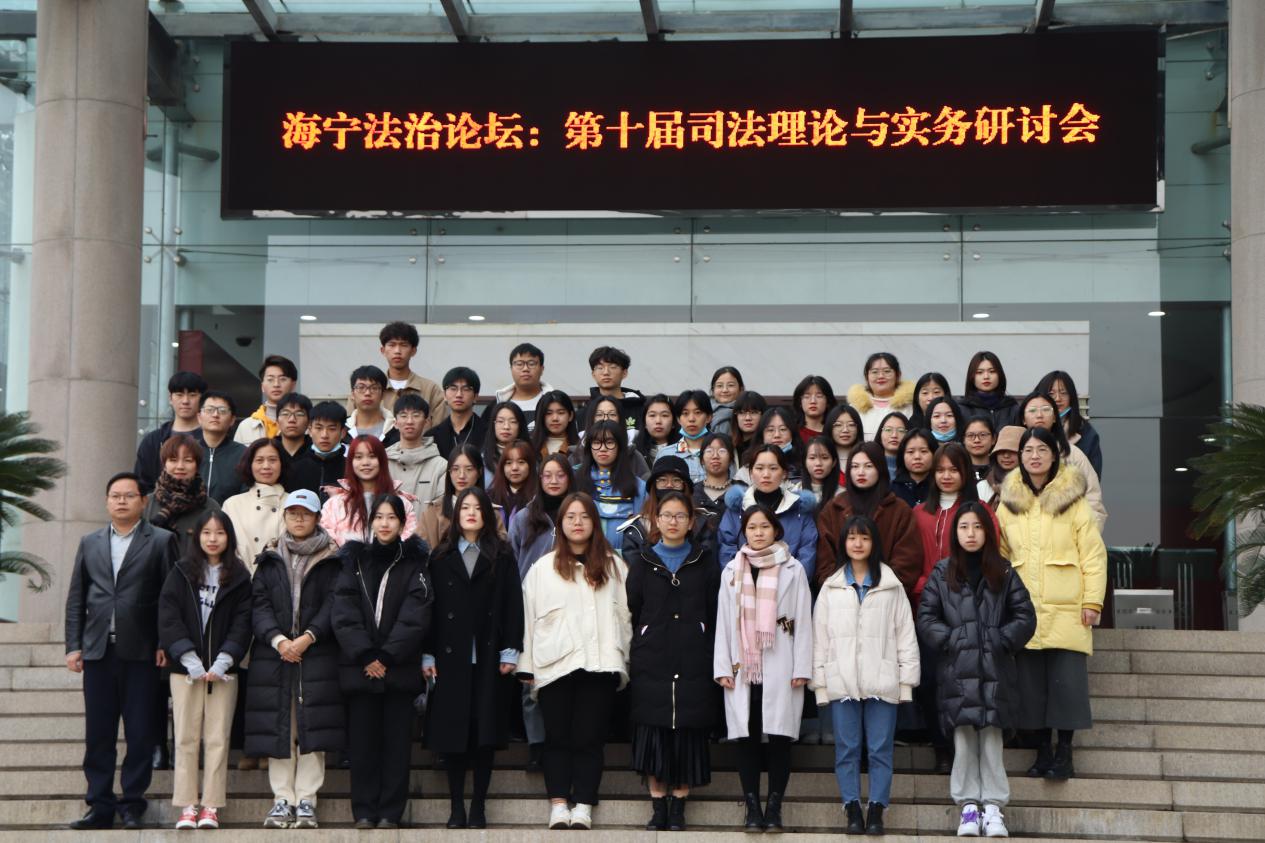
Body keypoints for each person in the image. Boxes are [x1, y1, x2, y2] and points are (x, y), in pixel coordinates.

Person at [63, 472, 180, 831]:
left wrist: (164, 642)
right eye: (115, 496)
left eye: (129, 496)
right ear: (107, 501)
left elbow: (170, 597)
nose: (122, 501)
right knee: (99, 734)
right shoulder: (90, 542)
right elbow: (77, 597)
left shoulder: (161, 540)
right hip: (98, 651)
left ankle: (132, 804)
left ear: (143, 502)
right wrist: (73, 646)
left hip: (142, 651)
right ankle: (99, 805)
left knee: (141, 733)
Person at [917, 503, 1036, 840]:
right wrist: (952, 639)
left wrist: (1001, 639)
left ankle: (994, 807)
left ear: (988, 532)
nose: (970, 534)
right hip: (957, 673)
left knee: (993, 741)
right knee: (964, 739)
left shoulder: (1004, 572)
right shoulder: (942, 573)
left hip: (996, 672)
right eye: (964, 527)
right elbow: (926, 618)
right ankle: (968, 806)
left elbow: (1025, 617)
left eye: (977, 527)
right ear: (955, 533)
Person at [996, 427, 1107, 781]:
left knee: (1067, 685)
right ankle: (1042, 751)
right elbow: (1000, 554)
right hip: (1025, 608)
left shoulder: (1074, 500)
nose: (1035, 456)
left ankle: (1065, 753)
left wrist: (1093, 601)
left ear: (1055, 455)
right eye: (1028, 450)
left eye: (1042, 449)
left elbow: (1093, 555)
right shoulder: (1008, 502)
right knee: (1032, 687)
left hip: (1068, 606)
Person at [518, 492, 631, 831]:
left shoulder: (614, 566)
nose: (577, 523)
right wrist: (526, 665)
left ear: (594, 523)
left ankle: (583, 803)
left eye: (584, 516)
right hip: (554, 665)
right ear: (561, 524)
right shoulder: (542, 569)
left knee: (589, 737)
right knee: (557, 738)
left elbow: (626, 617)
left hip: (600, 664)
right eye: (570, 517)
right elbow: (528, 619)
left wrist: (625, 658)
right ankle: (557, 803)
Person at [811, 514, 920, 837]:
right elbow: (820, 640)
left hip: (882, 680)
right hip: (842, 680)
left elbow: (905, 636)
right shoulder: (831, 587)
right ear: (843, 543)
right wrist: (821, 684)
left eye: (865, 537)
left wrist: (905, 682)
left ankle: (876, 808)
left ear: (874, 543)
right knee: (846, 748)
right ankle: (851, 807)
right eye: (852, 537)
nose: (858, 543)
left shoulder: (891, 586)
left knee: (879, 749)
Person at [424, 487, 525, 829]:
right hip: (448, 657)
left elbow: (513, 604)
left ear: (487, 515)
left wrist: (511, 648)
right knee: (453, 736)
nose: (470, 513)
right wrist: (427, 653)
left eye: (477, 508)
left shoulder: (502, 555)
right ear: (455, 515)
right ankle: (456, 807)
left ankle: (478, 806)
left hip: (488, 655)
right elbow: (431, 609)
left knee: (484, 734)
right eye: (464, 507)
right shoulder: (440, 556)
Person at [333, 494, 433, 829]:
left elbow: (416, 615)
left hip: (398, 669)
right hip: (360, 669)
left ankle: (391, 812)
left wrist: (387, 655)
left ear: (403, 523)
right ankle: (363, 810)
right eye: (379, 517)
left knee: (396, 747)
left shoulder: (415, 565)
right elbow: (343, 612)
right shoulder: (353, 561)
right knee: (362, 746)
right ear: (370, 522)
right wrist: (365, 654)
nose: (385, 523)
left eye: (392, 517)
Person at [245, 489, 342, 830]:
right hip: (275, 656)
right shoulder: (269, 556)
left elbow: (336, 603)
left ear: (317, 518)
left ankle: (307, 800)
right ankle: (282, 798)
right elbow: (258, 605)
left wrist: (308, 636)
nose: (299, 519)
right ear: (285, 516)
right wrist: (279, 640)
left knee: (313, 728)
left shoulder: (333, 557)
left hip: (318, 654)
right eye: (293, 513)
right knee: (280, 728)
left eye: (306, 513)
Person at [713, 504, 813, 833]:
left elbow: (802, 620)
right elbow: (724, 622)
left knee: (780, 737)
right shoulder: (732, 570)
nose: (758, 533)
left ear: (776, 530)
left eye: (764, 527)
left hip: (781, 661)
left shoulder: (793, 569)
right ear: (744, 531)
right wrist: (722, 666)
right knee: (747, 737)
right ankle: (752, 806)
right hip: (744, 665)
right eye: (752, 527)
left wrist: (802, 666)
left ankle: (774, 807)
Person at [625, 491, 720, 832]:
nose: (673, 522)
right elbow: (633, 606)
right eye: (667, 515)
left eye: (680, 516)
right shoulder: (643, 560)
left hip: (694, 656)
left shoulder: (704, 561)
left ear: (691, 522)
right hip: (652, 657)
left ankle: (678, 806)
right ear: (657, 520)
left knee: (688, 734)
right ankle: (658, 806)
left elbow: (713, 606)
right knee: (654, 730)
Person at [158, 511, 253, 831]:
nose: (213, 539)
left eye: (220, 533)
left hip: (223, 672)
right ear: (197, 536)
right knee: (185, 738)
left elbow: (243, 622)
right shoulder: (181, 572)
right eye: (207, 532)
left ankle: (211, 805)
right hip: (185, 670)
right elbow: (168, 616)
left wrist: (224, 660)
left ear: (229, 537)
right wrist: (189, 659)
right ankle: (187, 805)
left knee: (217, 739)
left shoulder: (239, 576)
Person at [911, 443, 994, 772]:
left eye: (954, 470)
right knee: (931, 680)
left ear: (965, 473)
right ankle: (941, 746)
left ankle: (969, 748)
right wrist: (925, 586)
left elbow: (992, 557)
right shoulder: (919, 513)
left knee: (968, 681)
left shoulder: (979, 512)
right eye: (940, 470)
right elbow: (910, 560)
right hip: (928, 608)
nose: (946, 476)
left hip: (971, 610)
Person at [507, 453, 576, 771]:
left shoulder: (579, 513)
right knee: (530, 676)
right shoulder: (524, 517)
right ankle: (536, 744)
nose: (553, 481)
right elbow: (511, 561)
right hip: (531, 605)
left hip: (572, 604)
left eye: (560, 475)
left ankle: (562, 741)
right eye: (547, 475)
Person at [816, 442, 923, 599]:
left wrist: (881, 591)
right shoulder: (833, 509)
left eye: (868, 466)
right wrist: (841, 591)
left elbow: (908, 561)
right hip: (840, 598)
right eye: (855, 466)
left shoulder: (899, 510)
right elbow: (824, 561)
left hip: (886, 597)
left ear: (880, 469)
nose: (861, 472)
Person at [718, 445, 818, 578]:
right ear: (751, 472)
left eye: (773, 468)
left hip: (790, 585)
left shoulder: (799, 509)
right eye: (759, 468)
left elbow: (807, 552)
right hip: (743, 583)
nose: (766, 474)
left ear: (784, 473)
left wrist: (789, 583)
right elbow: (726, 549)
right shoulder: (737, 509)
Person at [1017, 392, 1107, 530]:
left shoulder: (1073, 454)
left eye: (1046, 409)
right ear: (1023, 419)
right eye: (1032, 410)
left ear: (1055, 417)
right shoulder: (1011, 453)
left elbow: (1093, 500)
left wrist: (1086, 535)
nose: (1039, 415)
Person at [320, 435, 417, 547]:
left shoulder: (402, 504)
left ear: (382, 461)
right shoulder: (334, 505)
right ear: (351, 462)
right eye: (358, 457)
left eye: (372, 456)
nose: (365, 462)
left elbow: (408, 541)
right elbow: (327, 542)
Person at [143, 434, 222, 557]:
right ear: (164, 464)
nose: (180, 466)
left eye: (188, 460)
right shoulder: (146, 504)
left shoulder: (210, 507)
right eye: (173, 460)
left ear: (197, 466)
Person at [576, 420, 647, 548]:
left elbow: (643, 530)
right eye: (596, 443)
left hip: (626, 556)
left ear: (620, 446)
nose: (603, 449)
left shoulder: (639, 487)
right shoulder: (577, 481)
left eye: (609, 443)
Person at [134, 371, 207, 495]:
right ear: (170, 398)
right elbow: (141, 484)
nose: (185, 401)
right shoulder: (153, 441)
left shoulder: (211, 438)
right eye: (179, 395)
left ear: (202, 399)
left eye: (192, 395)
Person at [222, 438, 288, 572]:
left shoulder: (293, 503)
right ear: (250, 465)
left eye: (272, 460)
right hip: (240, 579)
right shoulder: (233, 505)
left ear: (282, 464)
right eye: (259, 460)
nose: (266, 466)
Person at [418, 444, 495, 550]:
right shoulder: (433, 511)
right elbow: (420, 550)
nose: (461, 475)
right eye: (455, 469)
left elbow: (500, 550)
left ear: (479, 472)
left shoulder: (492, 511)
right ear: (449, 472)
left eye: (469, 469)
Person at [1036, 370, 1103, 480]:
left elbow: (1092, 478)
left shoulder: (1086, 432)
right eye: (1051, 394)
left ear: (1071, 398)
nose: (1058, 398)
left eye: (1063, 393)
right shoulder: (1028, 428)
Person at [377, 320, 448, 421]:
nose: (397, 351)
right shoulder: (370, 389)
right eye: (392, 345)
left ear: (413, 351)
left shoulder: (430, 389)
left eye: (404, 345)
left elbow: (439, 427)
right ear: (383, 350)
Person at [385, 393, 447, 506]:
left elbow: (442, 507)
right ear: (395, 423)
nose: (409, 421)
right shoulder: (383, 463)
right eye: (403, 415)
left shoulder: (441, 466)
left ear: (426, 422)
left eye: (416, 415)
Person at [287, 401, 347, 503]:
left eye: (332, 429)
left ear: (343, 432)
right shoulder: (294, 469)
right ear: (310, 430)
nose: (324, 435)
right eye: (319, 428)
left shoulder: (351, 468)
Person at [848, 353, 915, 440]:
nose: (881, 376)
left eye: (887, 371)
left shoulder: (910, 407)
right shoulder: (855, 408)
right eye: (874, 372)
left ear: (898, 375)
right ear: (866, 376)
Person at [197, 391, 246, 505]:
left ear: (232, 420)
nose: (215, 415)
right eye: (209, 410)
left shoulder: (243, 454)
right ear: (199, 417)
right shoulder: (188, 452)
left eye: (222, 411)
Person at [235, 355, 298, 445]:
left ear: (293, 385)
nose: (276, 384)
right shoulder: (245, 427)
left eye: (282, 379)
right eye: (270, 379)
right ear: (262, 387)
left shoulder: (304, 424)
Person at [655, 390, 713, 483]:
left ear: (709, 417)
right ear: (678, 419)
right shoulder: (665, 454)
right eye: (685, 413)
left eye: (698, 412)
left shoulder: (720, 452)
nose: (691, 419)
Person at [738, 406, 803, 489]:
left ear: (792, 434)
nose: (777, 435)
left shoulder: (805, 466)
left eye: (783, 429)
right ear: (762, 435)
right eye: (770, 430)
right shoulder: (746, 470)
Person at [429, 366, 487, 459]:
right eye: (453, 388)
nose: (459, 394)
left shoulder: (489, 433)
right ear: (444, 395)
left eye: (466, 389)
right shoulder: (432, 436)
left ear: (475, 396)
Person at [495, 343, 555, 430]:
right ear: (511, 369)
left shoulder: (554, 402)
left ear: (542, 369)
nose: (525, 369)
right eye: (519, 364)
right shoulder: (498, 404)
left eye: (531, 364)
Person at [588, 346, 646, 433]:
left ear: (624, 373)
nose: (606, 372)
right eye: (600, 368)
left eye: (613, 367)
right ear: (593, 374)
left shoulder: (642, 410)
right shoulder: (585, 411)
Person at [958, 351, 1020, 431]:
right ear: (972, 377)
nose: (986, 376)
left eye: (992, 371)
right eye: (979, 372)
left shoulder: (1012, 408)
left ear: (1000, 375)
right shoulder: (962, 409)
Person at [488, 439, 539, 525]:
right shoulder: (490, 497)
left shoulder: (538, 497)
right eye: (509, 463)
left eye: (521, 462)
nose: (514, 468)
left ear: (530, 465)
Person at [344, 365, 398, 445]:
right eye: (361, 387)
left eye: (374, 388)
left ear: (383, 395)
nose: (367, 393)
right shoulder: (342, 430)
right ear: (352, 394)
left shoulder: (396, 429)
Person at [481, 401, 529, 487]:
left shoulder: (531, 457)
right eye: (500, 421)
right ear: (493, 425)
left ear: (520, 426)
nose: (506, 427)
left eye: (513, 422)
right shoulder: (482, 459)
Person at [695, 432, 736, 530]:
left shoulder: (742, 491)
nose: (715, 456)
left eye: (722, 451)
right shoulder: (691, 492)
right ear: (702, 459)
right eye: (709, 451)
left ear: (731, 459)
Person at [891, 428, 936, 509]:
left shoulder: (940, 486)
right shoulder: (892, 490)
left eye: (923, 451)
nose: (917, 457)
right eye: (910, 452)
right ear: (902, 455)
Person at [530, 390, 581, 460]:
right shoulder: (529, 446)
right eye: (549, 413)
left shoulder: (581, 447)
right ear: (541, 416)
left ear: (570, 416)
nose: (555, 418)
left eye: (561, 413)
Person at [272, 392, 314, 478]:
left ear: (309, 422)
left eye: (299, 414)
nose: (292, 419)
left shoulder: (317, 452)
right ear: (277, 421)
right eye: (285, 414)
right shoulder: (269, 450)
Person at [981, 426, 1023, 506]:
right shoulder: (983, 486)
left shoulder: (1033, 485)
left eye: (1012, 451)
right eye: (1001, 451)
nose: (1006, 456)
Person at [633, 394, 678, 465]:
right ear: (644, 422)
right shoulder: (634, 452)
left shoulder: (684, 450)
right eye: (652, 415)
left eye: (664, 415)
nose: (658, 421)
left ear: (673, 422)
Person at [824, 404, 865, 484]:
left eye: (851, 425)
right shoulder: (820, 460)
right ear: (829, 428)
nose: (845, 430)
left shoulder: (868, 457)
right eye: (838, 425)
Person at [792, 375, 837, 443]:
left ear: (828, 401)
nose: (813, 401)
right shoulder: (792, 433)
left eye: (819, 396)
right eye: (807, 396)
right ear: (800, 402)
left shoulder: (835, 433)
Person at [802, 435, 841, 504]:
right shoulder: (794, 493)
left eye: (824, 458)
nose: (818, 463)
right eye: (812, 458)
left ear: (834, 462)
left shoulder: (842, 495)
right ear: (804, 462)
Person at [730, 391, 768, 458]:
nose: (748, 418)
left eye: (753, 412)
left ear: (763, 415)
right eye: (742, 413)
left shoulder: (767, 447)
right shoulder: (729, 446)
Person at [709, 366, 744, 437]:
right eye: (719, 386)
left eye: (730, 385)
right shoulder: (704, 411)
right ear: (713, 390)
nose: (725, 390)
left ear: (740, 389)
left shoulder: (746, 414)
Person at [875, 411, 910, 479]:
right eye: (888, 430)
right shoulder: (870, 464)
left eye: (901, 431)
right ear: (880, 434)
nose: (894, 435)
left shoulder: (913, 466)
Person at [963, 416, 996, 482]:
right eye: (970, 435)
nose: (977, 440)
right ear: (963, 440)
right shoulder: (958, 470)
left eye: (982, 435)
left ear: (993, 439)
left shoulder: (1001, 469)